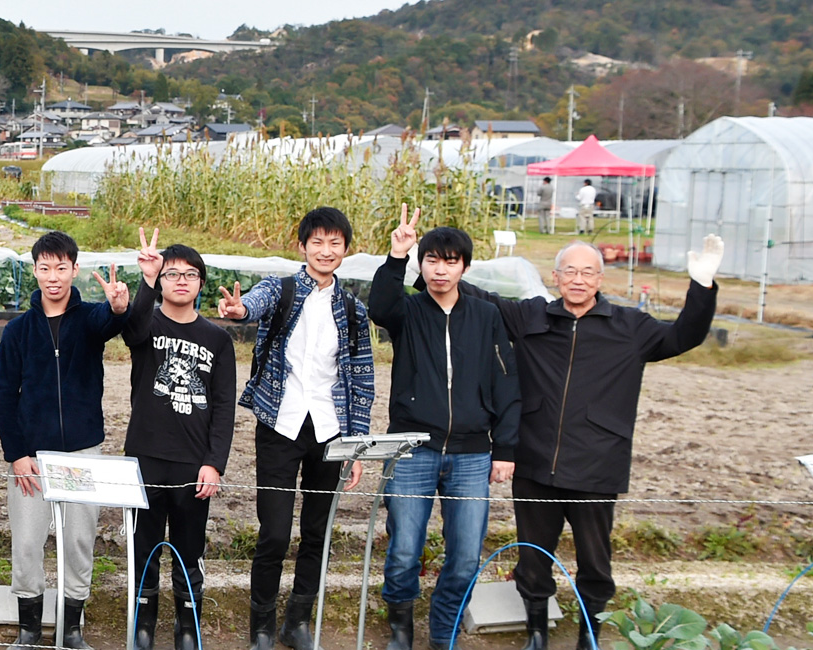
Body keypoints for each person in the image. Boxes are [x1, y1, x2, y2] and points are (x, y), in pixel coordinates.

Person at [438, 236, 723, 650]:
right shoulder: (533, 317)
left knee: (595, 561)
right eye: (569, 271)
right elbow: (484, 299)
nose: (578, 279)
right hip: (535, 464)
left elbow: (684, 336)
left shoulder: (630, 327)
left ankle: (591, 634)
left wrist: (702, 285)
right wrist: (438, 264)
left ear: (600, 279)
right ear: (554, 277)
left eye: (587, 271)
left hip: (596, 465)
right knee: (533, 558)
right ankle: (537, 631)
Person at [214, 207, 373, 650]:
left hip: (330, 430)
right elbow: (255, 304)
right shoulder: (281, 289)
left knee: (318, 532)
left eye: (334, 243)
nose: (325, 251)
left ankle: (297, 621)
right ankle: (261, 626)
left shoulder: (352, 309)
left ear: (345, 249)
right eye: (316, 242)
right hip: (281, 425)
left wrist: (356, 441)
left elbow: (362, 377)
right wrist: (239, 308)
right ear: (301, 246)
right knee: (275, 532)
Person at [368, 211, 520, 650]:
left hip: (473, 454)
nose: (440, 269)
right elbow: (380, 307)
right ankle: (400, 624)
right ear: (422, 264)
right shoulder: (409, 311)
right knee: (402, 553)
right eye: (431, 260)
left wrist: (505, 448)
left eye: (450, 262)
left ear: (464, 268)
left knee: (466, 556)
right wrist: (396, 256)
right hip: (413, 447)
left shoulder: (487, 315)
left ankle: (443, 629)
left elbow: (505, 382)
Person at [0, 230, 130, 650]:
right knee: (28, 540)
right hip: (31, 456)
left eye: (61, 267)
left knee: (78, 540)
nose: (53, 277)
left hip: (83, 451)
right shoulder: (18, 331)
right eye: (44, 268)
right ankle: (30, 630)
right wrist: (17, 454)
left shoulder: (89, 320)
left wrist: (119, 308)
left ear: (74, 269)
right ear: (34, 270)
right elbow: (3, 396)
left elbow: (111, 321)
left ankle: (72, 628)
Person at [123, 232, 235, 650]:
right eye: (172, 274)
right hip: (146, 457)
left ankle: (188, 625)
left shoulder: (218, 339)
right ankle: (143, 623)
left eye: (190, 274)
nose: (181, 281)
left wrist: (214, 462)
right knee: (144, 545)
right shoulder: (147, 327)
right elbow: (130, 328)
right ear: (162, 281)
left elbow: (224, 406)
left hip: (194, 464)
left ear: (201, 283)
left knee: (190, 547)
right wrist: (146, 280)